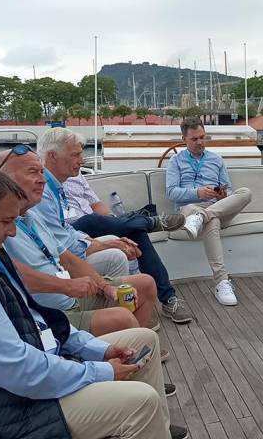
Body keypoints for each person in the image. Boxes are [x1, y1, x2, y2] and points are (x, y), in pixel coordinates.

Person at [0, 166, 188, 439]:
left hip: (31, 386)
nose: (13, 232)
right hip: (14, 417)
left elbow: (37, 320)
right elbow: (24, 372)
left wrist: (98, 350)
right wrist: (102, 371)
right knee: (140, 404)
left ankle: (157, 433)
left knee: (141, 339)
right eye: (6, 222)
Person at [0, 147, 160, 338]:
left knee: (146, 284)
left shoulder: (32, 215)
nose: (42, 180)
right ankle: (130, 349)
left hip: (71, 296)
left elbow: (69, 260)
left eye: (42, 172)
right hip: (49, 315)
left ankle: (130, 350)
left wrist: (105, 288)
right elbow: (7, 272)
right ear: (3, 179)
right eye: (33, 172)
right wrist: (65, 286)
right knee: (123, 319)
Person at [38, 127, 193, 325]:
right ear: (52, 156)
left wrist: (115, 223)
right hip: (79, 228)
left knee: (132, 230)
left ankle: (167, 299)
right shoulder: (40, 189)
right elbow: (62, 238)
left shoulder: (75, 176)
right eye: (76, 154)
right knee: (95, 220)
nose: (82, 160)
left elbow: (96, 205)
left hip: (86, 230)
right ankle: (151, 222)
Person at [165, 118, 252, 306]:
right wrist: (197, 192)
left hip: (217, 210)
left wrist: (222, 195)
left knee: (245, 193)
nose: (200, 142)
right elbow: (171, 193)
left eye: (202, 137)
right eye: (194, 139)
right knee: (210, 221)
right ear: (184, 139)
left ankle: (202, 217)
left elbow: (228, 190)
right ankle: (221, 281)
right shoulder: (175, 161)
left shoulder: (216, 159)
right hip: (189, 210)